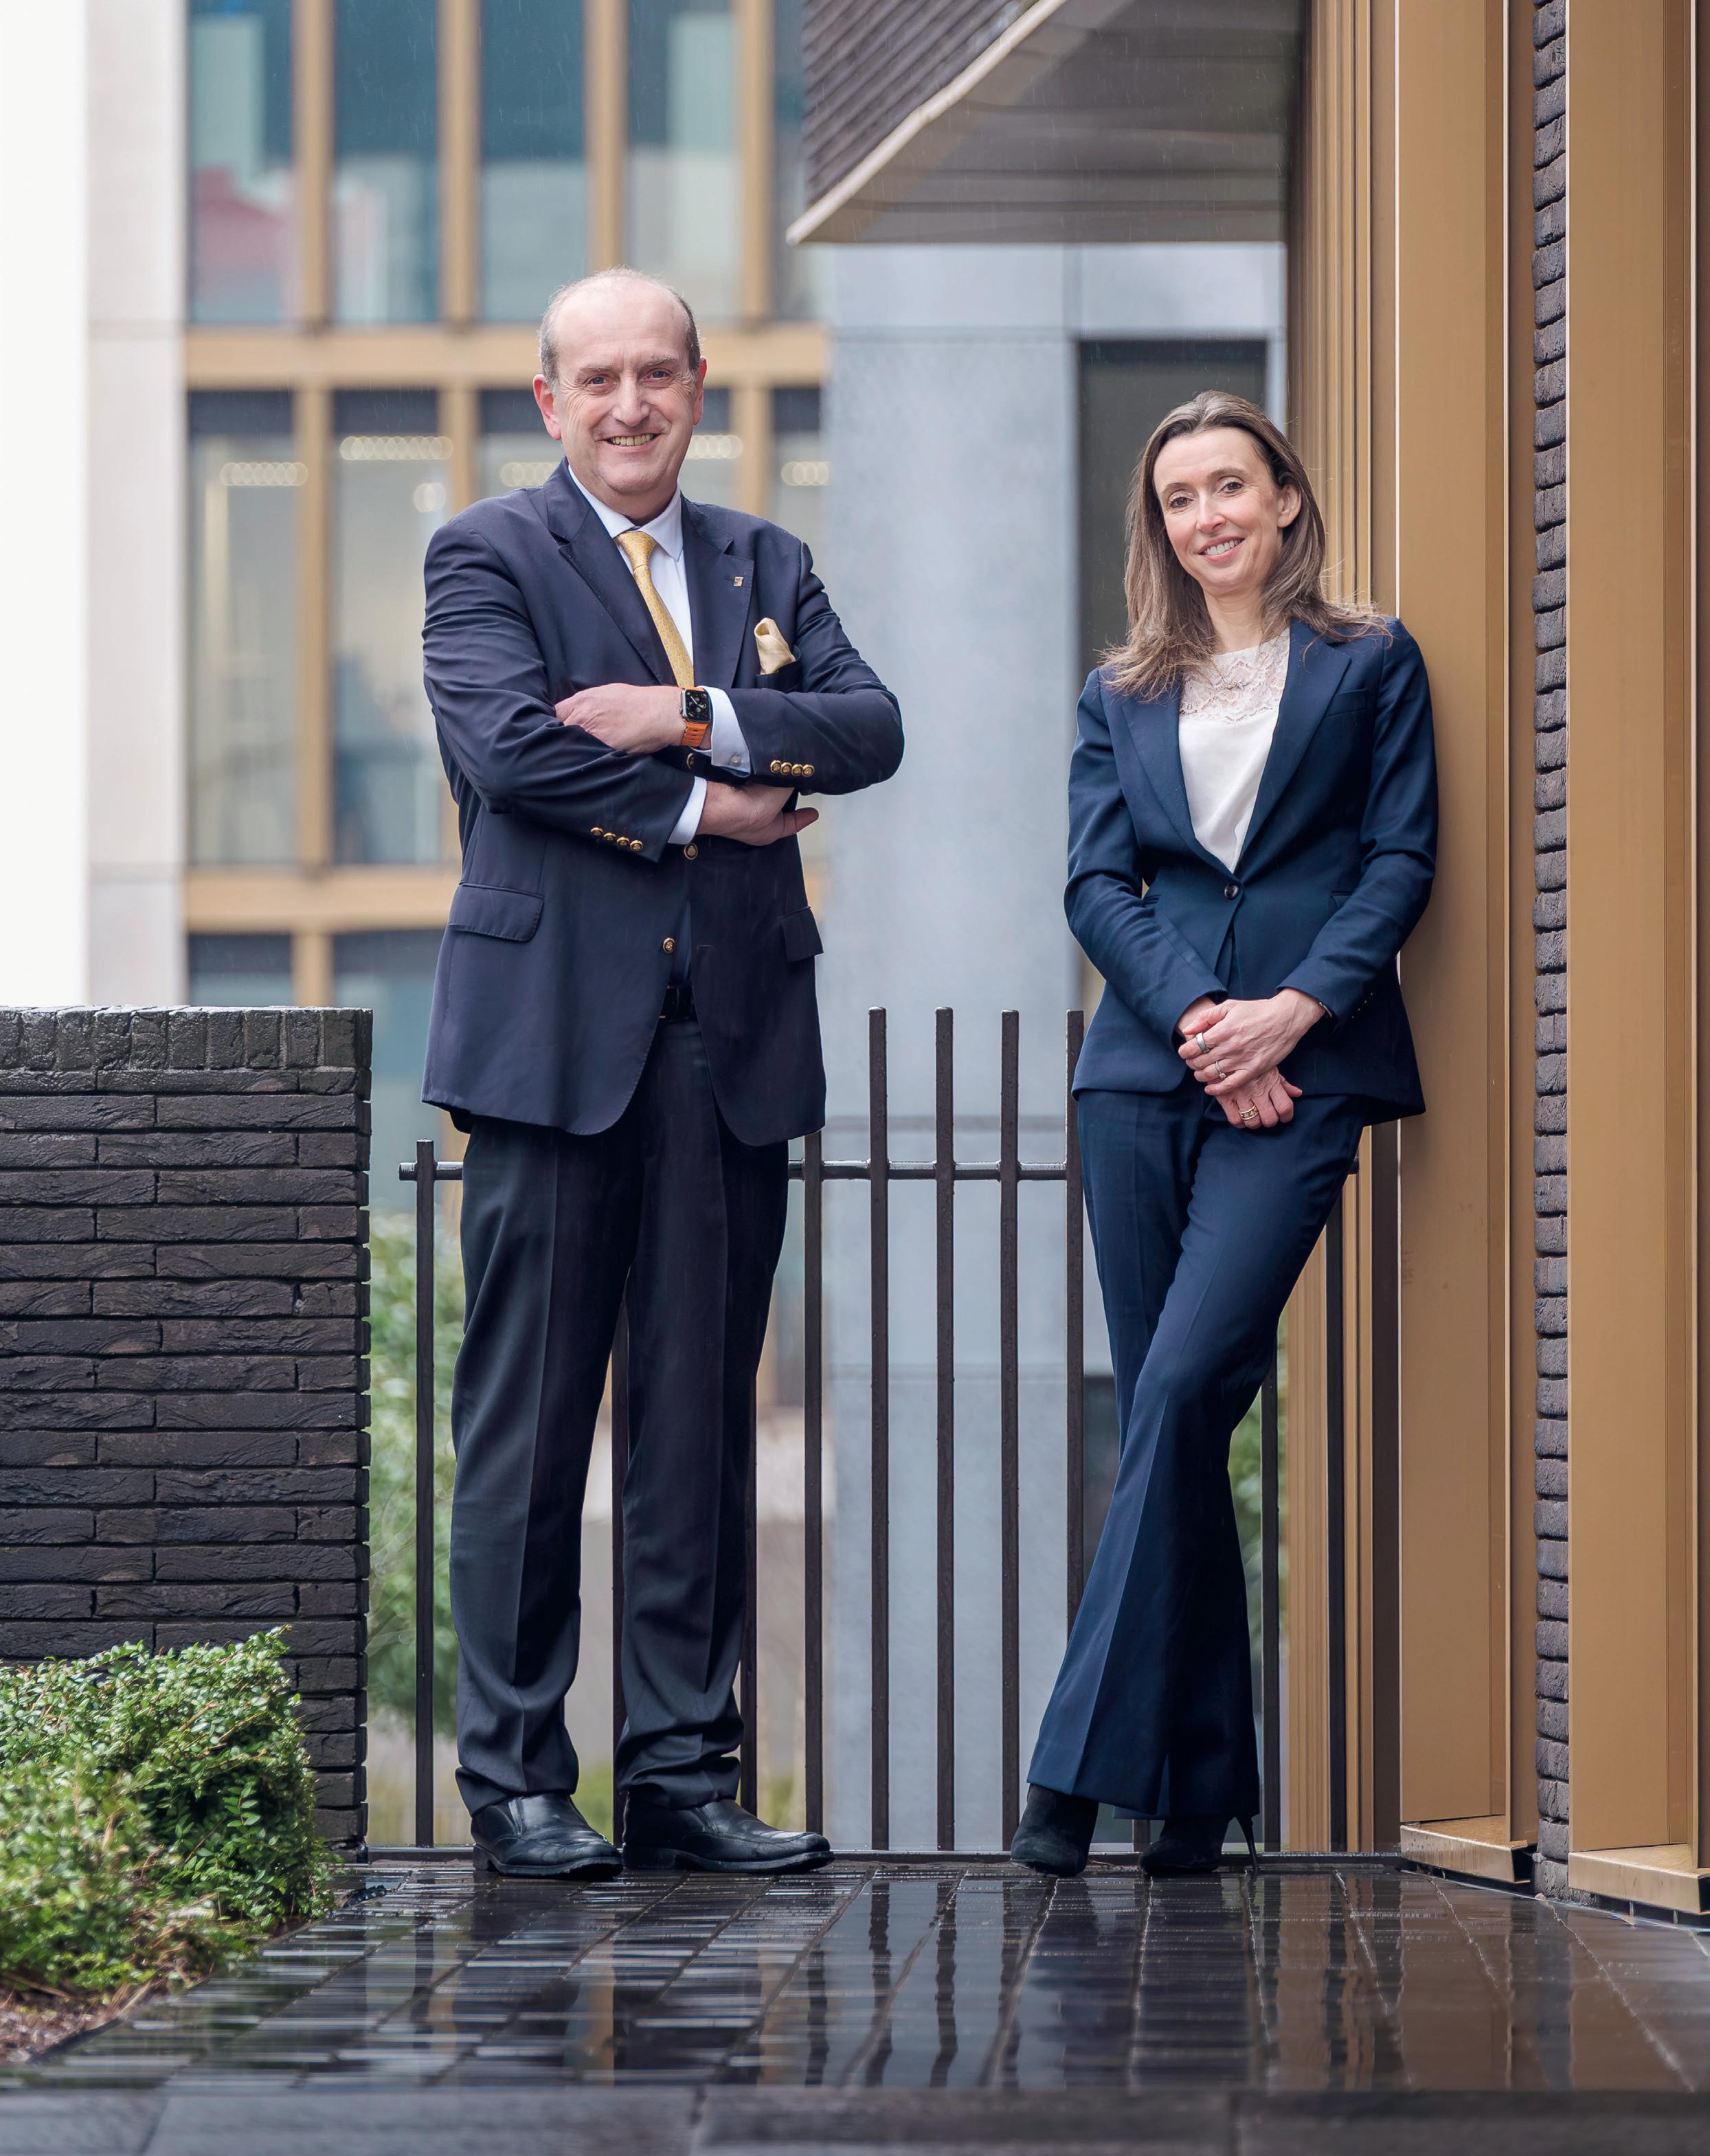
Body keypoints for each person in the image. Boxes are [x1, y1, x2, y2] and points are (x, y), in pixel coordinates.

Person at [421, 267, 903, 1879]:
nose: (630, 404)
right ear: (550, 402)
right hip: (553, 1045)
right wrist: (717, 802)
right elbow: (510, 751)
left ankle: (686, 1777)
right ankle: (516, 1779)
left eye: (657, 374)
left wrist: (681, 711)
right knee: (530, 1427)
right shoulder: (487, 552)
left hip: (732, 1045)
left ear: (700, 387)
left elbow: (868, 726)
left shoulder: (768, 559)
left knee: (699, 1428)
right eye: (598, 378)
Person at [1010, 391, 1436, 1879]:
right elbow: (1095, 884)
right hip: (1145, 1077)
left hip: (1304, 1078)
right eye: (1180, 497)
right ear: (1162, 527)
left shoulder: (1370, 661)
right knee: (1173, 1423)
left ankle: (1068, 1774)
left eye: (1230, 486)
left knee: (1184, 1389)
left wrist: (1290, 1018)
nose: (1208, 516)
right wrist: (1208, 1022)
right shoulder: (1119, 692)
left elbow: (1400, 861)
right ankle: (1194, 1800)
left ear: (1286, 499)